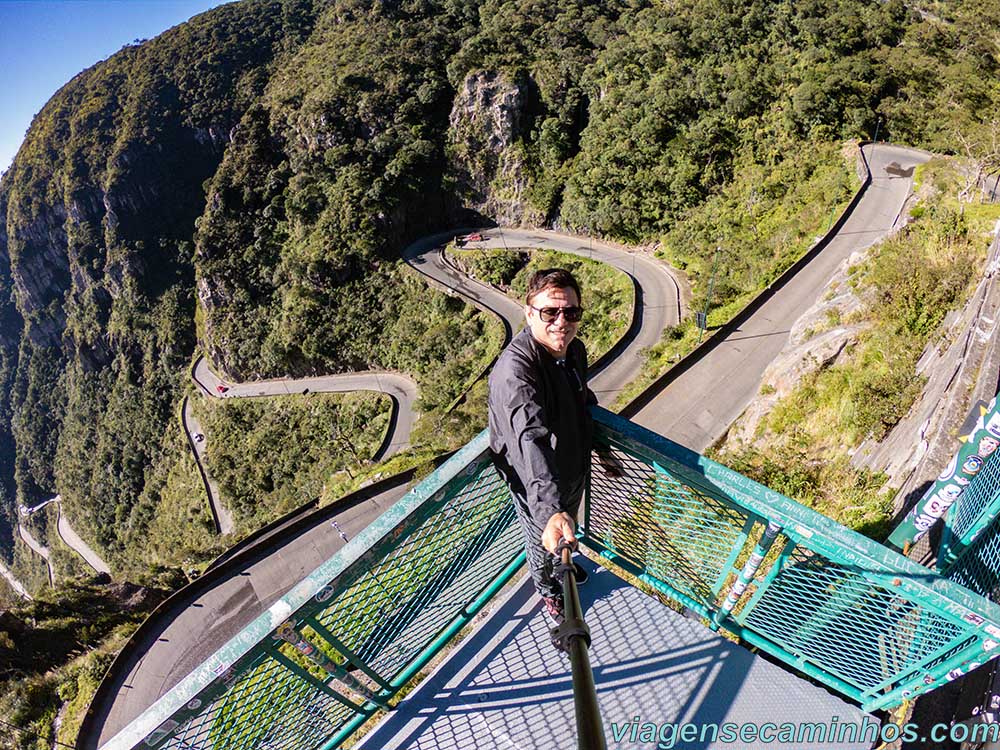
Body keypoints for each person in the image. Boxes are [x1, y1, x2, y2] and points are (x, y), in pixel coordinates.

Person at [488, 268, 596, 626]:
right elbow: (528, 437)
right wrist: (549, 508)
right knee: (540, 538)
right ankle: (549, 591)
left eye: (571, 312)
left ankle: (561, 566)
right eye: (550, 312)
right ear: (530, 312)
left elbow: (583, 400)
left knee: (565, 526)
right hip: (535, 481)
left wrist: (603, 450)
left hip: (569, 465)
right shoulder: (517, 371)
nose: (561, 321)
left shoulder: (572, 350)